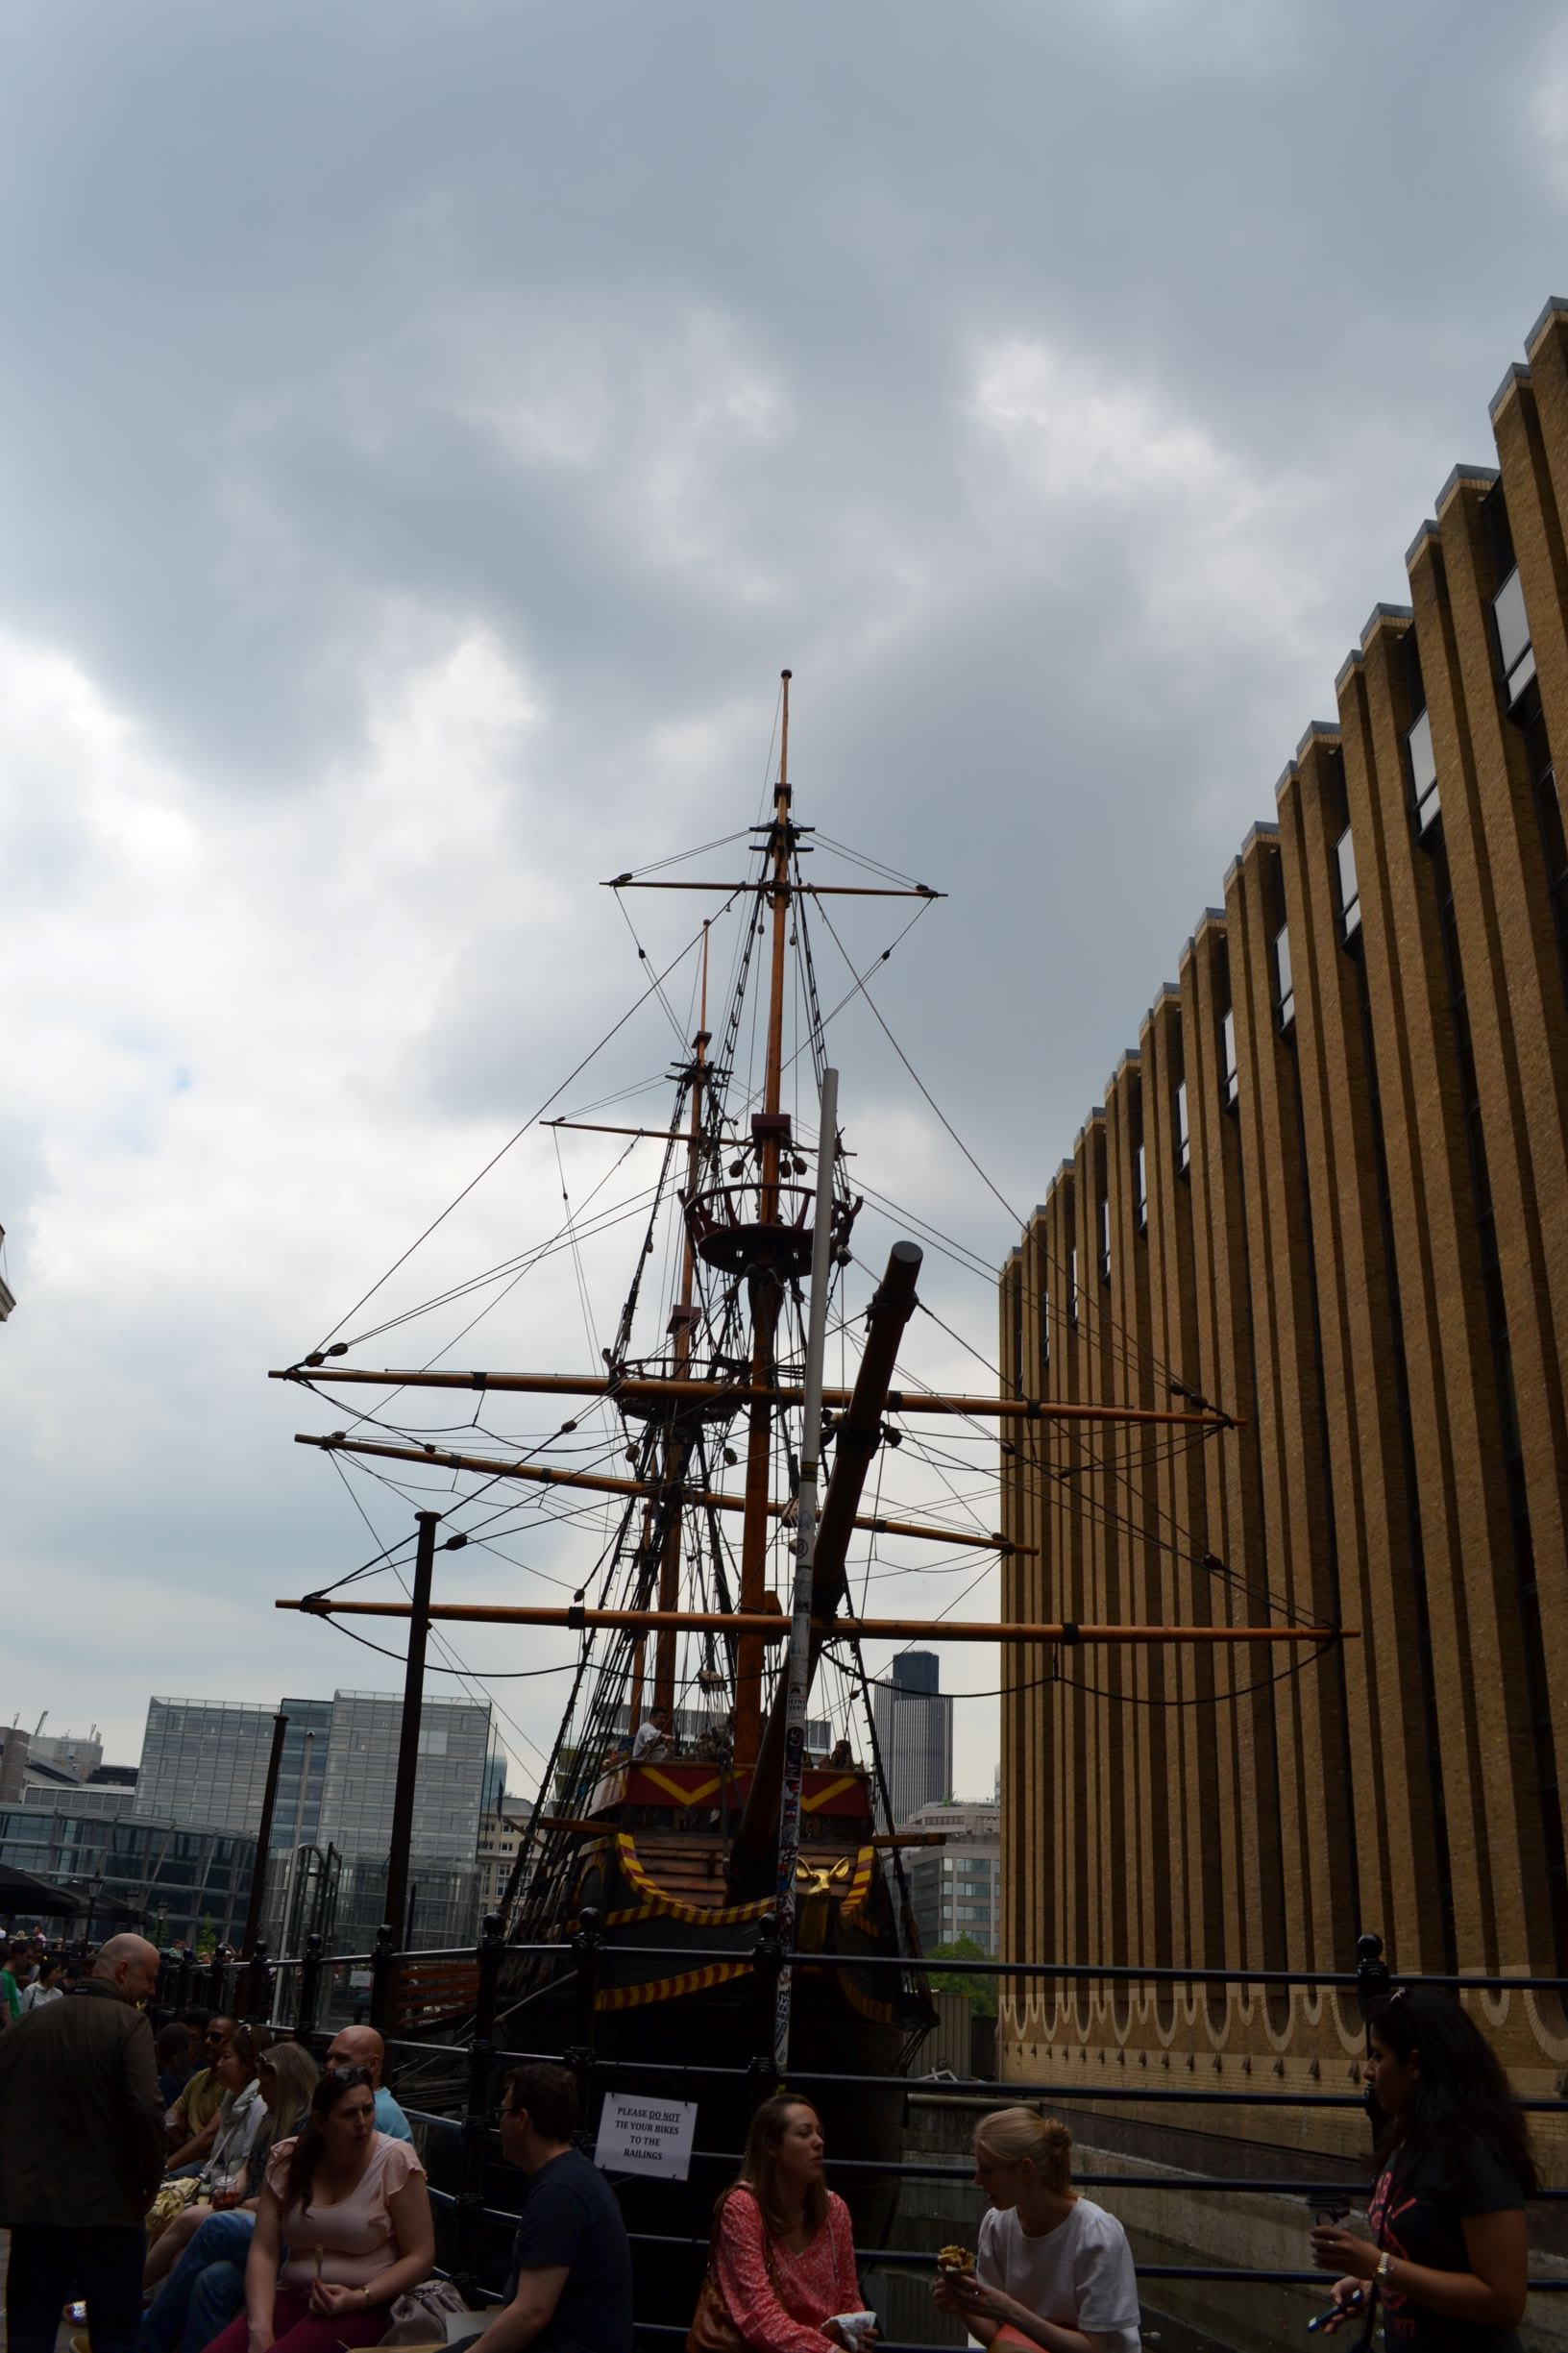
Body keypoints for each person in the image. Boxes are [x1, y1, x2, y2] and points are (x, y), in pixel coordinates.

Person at [1311, 1987, 1535, 2352]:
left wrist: (1380, 2267)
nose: (1368, 2071)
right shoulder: (1410, 2140)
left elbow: (1504, 2302)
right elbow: (1429, 2258)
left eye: (1378, 2056)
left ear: (1414, 2065)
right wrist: (1373, 2284)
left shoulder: (1475, 2154)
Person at [0, 1931, 166, 2353]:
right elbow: (146, 2109)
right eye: (149, 1980)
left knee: (29, 2328)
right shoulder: (130, 2025)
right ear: (124, 1971)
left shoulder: (28, 2025)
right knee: (114, 2330)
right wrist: (151, 2177)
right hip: (108, 2208)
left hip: (37, 2206)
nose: (152, 1990)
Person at [205, 2062, 434, 2353]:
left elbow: (421, 2255)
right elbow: (264, 2249)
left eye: (367, 2109)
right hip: (293, 2296)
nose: (362, 2122)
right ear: (322, 2122)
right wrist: (259, 2328)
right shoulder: (287, 2159)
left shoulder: (395, 2160)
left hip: (366, 2305)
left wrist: (360, 2296)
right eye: (349, 2114)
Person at [139, 2041, 321, 2353]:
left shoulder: (308, 2133)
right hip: (258, 2217)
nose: (262, 2093)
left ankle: (141, 2336)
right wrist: (235, 2188)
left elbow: (284, 2202)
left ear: (286, 2084)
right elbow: (249, 2172)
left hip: (284, 2234)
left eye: (267, 2086)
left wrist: (238, 2203)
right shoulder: (272, 2120)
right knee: (212, 2279)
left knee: (213, 2227)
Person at [453, 2062, 632, 2353]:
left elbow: (530, 2314)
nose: (498, 2123)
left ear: (522, 2119)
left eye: (503, 2112)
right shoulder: (572, 2176)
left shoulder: (559, 2193)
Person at [934, 2108, 1139, 2353]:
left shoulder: (1096, 2235)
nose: (977, 2179)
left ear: (1026, 2170)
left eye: (987, 2169)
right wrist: (963, 2306)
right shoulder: (997, 2224)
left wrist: (1009, 2310)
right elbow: (999, 2336)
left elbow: (1095, 2349)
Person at [707, 2095, 870, 2353]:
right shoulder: (742, 2208)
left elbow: (849, 2298)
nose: (819, 2142)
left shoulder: (834, 2210)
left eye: (818, 2132)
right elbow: (758, 2316)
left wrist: (859, 2330)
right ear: (772, 2147)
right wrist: (827, 2351)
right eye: (804, 2134)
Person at [143, 2024, 270, 2290]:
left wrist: (222, 2193)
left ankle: (126, 2296)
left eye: (227, 2057)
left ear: (247, 2065)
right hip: (213, 2182)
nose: (219, 2063)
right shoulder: (228, 2098)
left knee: (171, 2224)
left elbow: (244, 2166)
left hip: (228, 2194)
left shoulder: (257, 2105)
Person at [166, 2015, 236, 2172]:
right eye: (206, 2036)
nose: (207, 2042)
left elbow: (208, 2138)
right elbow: (173, 2115)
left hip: (206, 2163)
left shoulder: (232, 2087)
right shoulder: (199, 2077)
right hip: (183, 2152)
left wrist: (166, 2167)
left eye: (216, 2037)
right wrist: (174, 2127)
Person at [324, 2022, 413, 2139]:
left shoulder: (373, 2113)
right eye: (330, 2057)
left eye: (342, 2058)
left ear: (372, 2064)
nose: (330, 2065)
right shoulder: (372, 2106)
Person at [1, 1935, 32, 2022]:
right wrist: (14, 2034)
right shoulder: (4, 1977)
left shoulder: (9, 1976)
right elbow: (4, 2014)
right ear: (18, 1955)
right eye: (27, 1957)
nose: (29, 1961)